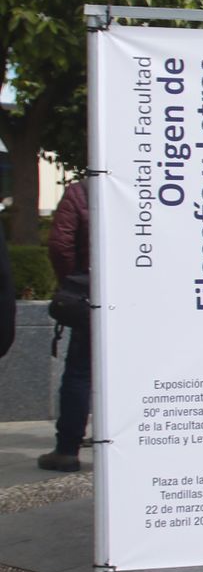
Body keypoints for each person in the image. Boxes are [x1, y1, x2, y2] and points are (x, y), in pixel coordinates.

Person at [39, 180, 92, 472]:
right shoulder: (155, 186)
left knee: (80, 372)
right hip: (144, 296)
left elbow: (61, 245)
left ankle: (68, 448)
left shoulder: (83, 191)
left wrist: (73, 282)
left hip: (91, 294)